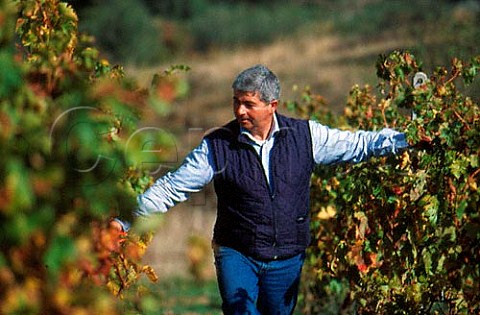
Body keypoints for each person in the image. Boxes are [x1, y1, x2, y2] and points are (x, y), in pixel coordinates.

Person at [111, 64, 410, 314]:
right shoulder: (216, 147)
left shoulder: (306, 136)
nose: (240, 110)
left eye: (249, 104)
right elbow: (170, 188)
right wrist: (123, 221)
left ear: (272, 106)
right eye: (236, 101)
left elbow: (357, 145)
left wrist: (405, 140)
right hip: (237, 253)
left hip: (287, 258)